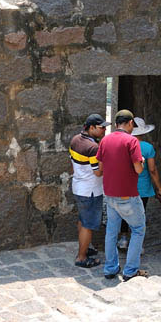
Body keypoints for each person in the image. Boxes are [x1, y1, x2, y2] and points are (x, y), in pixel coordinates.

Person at [96, 109, 148, 281]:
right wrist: (142, 162)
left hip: (109, 194)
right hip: (127, 195)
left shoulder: (105, 140)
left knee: (111, 231)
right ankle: (130, 270)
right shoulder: (132, 141)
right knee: (138, 229)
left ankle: (111, 268)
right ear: (131, 123)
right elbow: (138, 169)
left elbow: (101, 168)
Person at [68, 113, 106, 268]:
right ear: (91, 128)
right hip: (90, 189)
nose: (104, 130)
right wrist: (103, 155)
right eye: (101, 127)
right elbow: (98, 172)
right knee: (87, 224)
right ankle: (81, 257)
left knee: (82, 220)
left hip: (79, 186)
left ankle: (85, 248)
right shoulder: (93, 148)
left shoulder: (75, 139)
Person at [119, 117, 161, 247]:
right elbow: (152, 169)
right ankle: (136, 241)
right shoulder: (148, 148)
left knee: (125, 211)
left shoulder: (123, 144)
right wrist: (159, 188)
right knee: (140, 213)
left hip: (126, 185)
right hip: (142, 187)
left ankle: (123, 238)